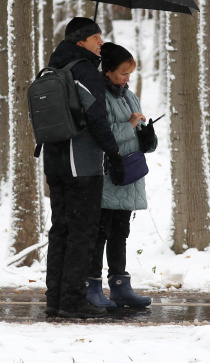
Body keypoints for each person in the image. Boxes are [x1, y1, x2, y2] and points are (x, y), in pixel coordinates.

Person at [43, 17, 126, 319]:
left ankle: (55, 299)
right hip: (82, 164)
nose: (101, 42)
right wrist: (114, 152)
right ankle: (72, 300)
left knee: (61, 229)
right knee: (82, 232)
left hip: (54, 161)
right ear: (80, 41)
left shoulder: (55, 68)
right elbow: (97, 118)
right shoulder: (84, 71)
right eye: (95, 37)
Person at [85, 43, 157, 310]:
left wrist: (147, 135)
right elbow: (102, 135)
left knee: (120, 233)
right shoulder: (99, 96)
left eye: (130, 73)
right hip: (108, 174)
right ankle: (92, 286)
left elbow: (137, 132)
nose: (127, 78)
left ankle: (120, 287)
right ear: (108, 71)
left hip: (129, 173)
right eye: (123, 73)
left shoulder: (130, 95)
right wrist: (129, 126)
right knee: (101, 233)